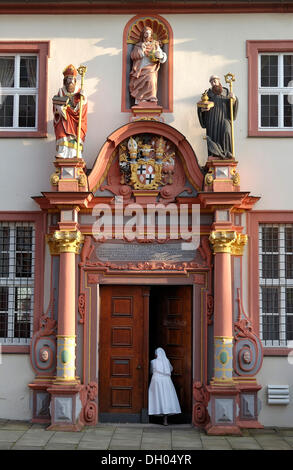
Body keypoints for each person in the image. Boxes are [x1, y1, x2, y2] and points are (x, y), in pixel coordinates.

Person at [197, 75, 238, 159]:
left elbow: (232, 106)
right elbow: (200, 106)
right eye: (211, 82)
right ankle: (215, 154)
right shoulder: (207, 94)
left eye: (214, 81)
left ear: (219, 81)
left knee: (227, 131)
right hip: (212, 119)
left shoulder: (226, 92)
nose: (213, 83)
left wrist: (234, 99)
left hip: (224, 118)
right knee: (213, 136)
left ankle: (227, 153)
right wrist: (203, 109)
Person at [53, 64, 87, 159]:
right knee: (61, 129)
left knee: (77, 132)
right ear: (65, 81)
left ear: (75, 81)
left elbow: (83, 109)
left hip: (75, 119)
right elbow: (56, 104)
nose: (70, 81)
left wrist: (83, 99)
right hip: (63, 118)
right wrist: (59, 108)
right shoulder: (61, 92)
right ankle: (62, 151)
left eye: (72, 79)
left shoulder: (80, 92)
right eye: (68, 79)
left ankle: (76, 152)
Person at [129, 26, 167, 105]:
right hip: (141, 67)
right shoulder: (138, 45)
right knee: (140, 83)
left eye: (149, 34)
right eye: (146, 33)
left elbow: (160, 54)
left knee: (151, 80)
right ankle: (140, 99)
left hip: (151, 67)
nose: (147, 35)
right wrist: (141, 51)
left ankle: (151, 98)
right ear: (143, 34)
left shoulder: (154, 44)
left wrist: (160, 56)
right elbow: (133, 55)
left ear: (151, 35)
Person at [148, 347, 181, 425]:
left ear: (156, 354)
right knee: (166, 398)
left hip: (156, 381)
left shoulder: (153, 361)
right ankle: (165, 419)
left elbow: (151, 371)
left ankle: (154, 414)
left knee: (157, 397)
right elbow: (171, 369)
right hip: (167, 381)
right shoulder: (167, 361)